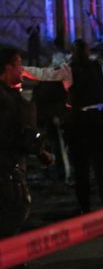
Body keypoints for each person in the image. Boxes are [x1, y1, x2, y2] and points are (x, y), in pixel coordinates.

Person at [0, 46, 54, 237]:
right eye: (18, 65)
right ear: (7, 68)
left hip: (12, 166)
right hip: (8, 170)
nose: (22, 70)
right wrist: (39, 150)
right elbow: (19, 133)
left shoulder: (12, 95)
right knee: (14, 213)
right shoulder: (6, 99)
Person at [63, 39, 103, 213]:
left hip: (79, 120)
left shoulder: (68, 69)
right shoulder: (100, 65)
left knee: (81, 166)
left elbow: (66, 89)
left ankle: (84, 206)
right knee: (102, 163)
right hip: (100, 118)